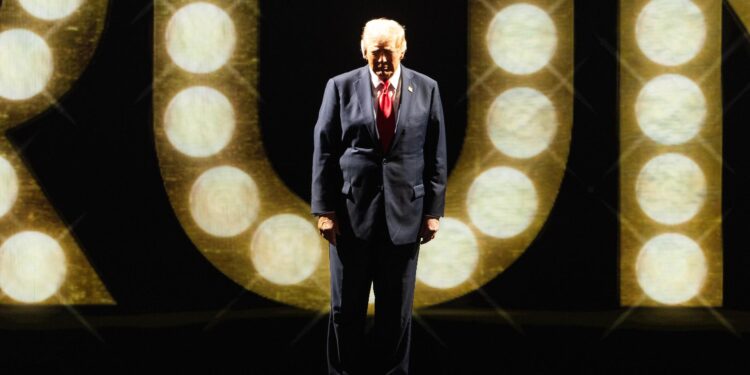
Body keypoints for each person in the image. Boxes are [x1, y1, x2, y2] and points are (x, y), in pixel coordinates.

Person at [311, 18, 447, 375]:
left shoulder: (427, 89)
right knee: (345, 311)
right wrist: (324, 211)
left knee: (397, 314)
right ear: (364, 52)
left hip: (405, 217)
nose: (383, 60)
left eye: (389, 52)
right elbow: (324, 151)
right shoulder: (339, 88)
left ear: (402, 50)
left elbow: (436, 153)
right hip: (351, 218)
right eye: (376, 53)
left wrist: (433, 211)